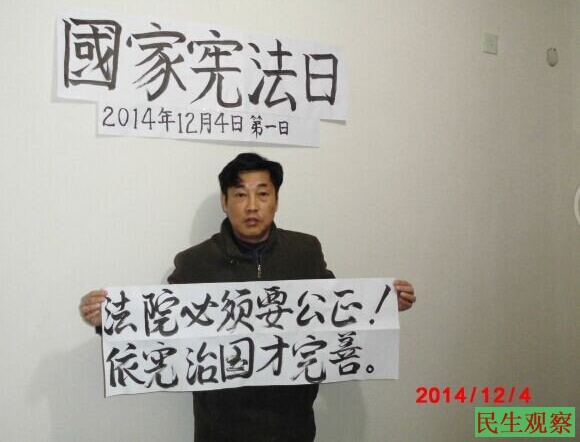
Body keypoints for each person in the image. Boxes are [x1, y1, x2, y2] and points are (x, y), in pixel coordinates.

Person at [79, 152, 416, 442]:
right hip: (221, 428)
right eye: (240, 194)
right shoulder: (195, 262)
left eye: (262, 193)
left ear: (276, 200)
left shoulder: (305, 251)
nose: (252, 206)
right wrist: (107, 319)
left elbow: (336, 317)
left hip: (292, 425)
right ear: (225, 201)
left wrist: (385, 306)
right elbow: (160, 331)